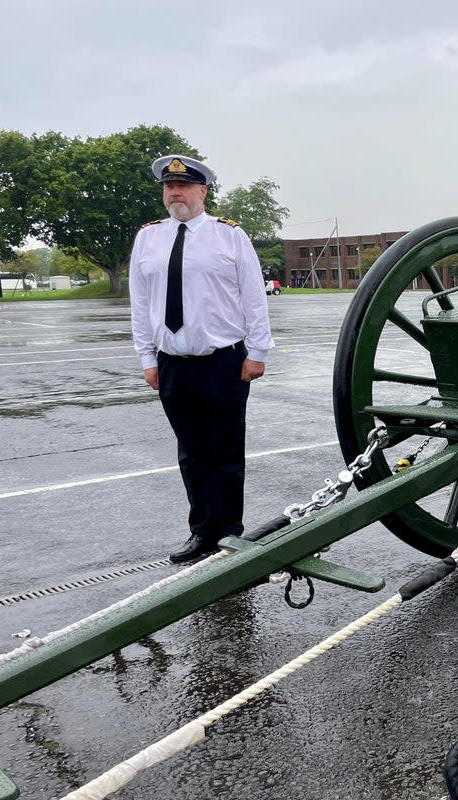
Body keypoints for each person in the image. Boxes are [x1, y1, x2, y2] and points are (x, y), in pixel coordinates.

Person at [129, 154, 275, 563]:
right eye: (168, 187)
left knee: (226, 453)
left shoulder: (229, 236)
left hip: (224, 361)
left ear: (202, 192)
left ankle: (228, 534)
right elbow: (140, 304)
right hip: (172, 362)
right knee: (192, 453)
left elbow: (253, 296)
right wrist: (147, 357)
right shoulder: (148, 238)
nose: (175, 193)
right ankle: (201, 532)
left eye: (183, 186)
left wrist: (258, 351)